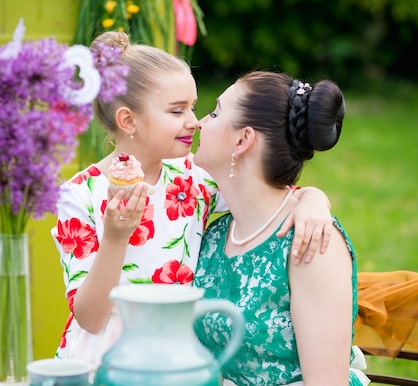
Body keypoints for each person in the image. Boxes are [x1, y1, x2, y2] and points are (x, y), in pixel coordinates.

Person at [52, 32, 333, 368]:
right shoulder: (80, 195)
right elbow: (89, 319)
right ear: (129, 120)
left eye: (194, 107)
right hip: (107, 359)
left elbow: (266, 198)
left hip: (178, 352)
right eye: (176, 111)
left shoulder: (193, 177)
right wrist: (115, 236)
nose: (194, 122)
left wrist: (314, 199)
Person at [193, 72, 393, 386]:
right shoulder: (213, 233)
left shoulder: (311, 243)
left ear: (243, 139)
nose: (197, 123)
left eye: (214, 112)